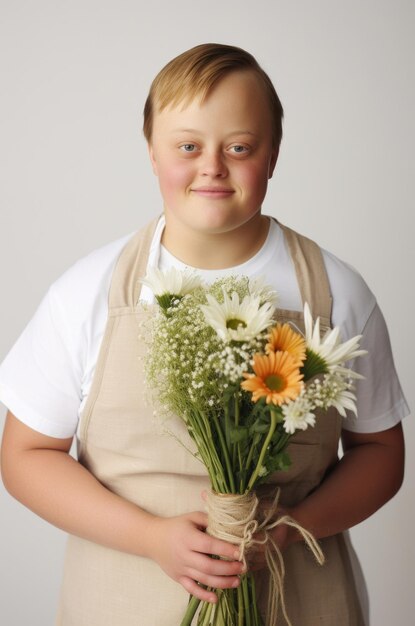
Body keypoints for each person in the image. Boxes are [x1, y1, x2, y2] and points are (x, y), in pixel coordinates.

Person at [0, 43, 408, 626]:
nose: (212, 166)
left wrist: (290, 534)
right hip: (120, 600)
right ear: (151, 152)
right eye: (187, 146)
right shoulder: (87, 292)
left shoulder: (337, 292)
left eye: (239, 147)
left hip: (296, 599)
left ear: (272, 155)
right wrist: (150, 537)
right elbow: (23, 456)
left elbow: (381, 454)